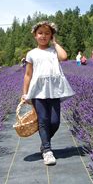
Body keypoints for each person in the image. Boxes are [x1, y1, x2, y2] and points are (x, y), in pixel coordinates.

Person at [22, 21, 75, 165]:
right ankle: (47, 150)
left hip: (54, 90)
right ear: (35, 35)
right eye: (40, 33)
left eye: (47, 33)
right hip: (38, 91)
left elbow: (64, 57)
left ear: (51, 36)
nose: (43, 36)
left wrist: (55, 43)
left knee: (55, 121)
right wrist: (25, 93)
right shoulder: (31, 53)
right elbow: (28, 74)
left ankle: (45, 142)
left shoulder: (53, 51)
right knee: (43, 120)